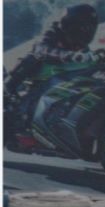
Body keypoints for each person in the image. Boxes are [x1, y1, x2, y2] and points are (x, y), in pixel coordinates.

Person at [5, 4, 100, 139]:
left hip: (62, 79)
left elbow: (89, 60)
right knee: (33, 58)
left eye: (89, 27)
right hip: (37, 73)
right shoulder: (53, 32)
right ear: (73, 25)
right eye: (84, 27)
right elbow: (43, 48)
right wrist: (69, 55)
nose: (87, 30)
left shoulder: (81, 45)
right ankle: (7, 89)